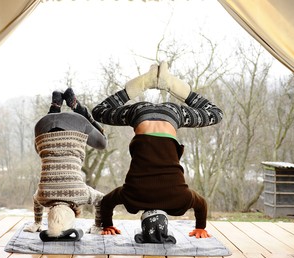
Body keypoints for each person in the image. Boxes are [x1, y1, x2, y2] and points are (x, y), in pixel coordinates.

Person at [91, 61, 223, 240]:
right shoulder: (132, 199)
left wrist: (201, 227)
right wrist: (108, 225)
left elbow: (201, 204)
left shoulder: (179, 201)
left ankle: (169, 83)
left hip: (171, 115)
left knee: (215, 113)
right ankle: (144, 83)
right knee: (99, 112)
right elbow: (106, 202)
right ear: (142, 219)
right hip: (140, 114)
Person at [23, 88, 107, 240]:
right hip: (42, 124)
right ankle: (55, 107)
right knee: (44, 148)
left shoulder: (80, 195)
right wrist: (37, 223)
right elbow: (36, 201)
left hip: (77, 121)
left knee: (103, 143)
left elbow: (102, 199)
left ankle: (78, 108)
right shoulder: (42, 197)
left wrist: (98, 225)